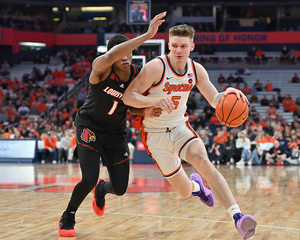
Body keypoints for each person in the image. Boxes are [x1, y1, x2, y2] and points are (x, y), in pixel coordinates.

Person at [123, 24, 257, 240]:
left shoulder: (196, 70)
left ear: (192, 46)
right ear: (168, 45)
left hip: (180, 127)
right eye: (174, 45)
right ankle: (197, 187)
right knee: (184, 191)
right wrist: (153, 100)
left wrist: (227, 94)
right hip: (154, 134)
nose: (178, 50)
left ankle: (238, 218)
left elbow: (215, 100)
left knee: (204, 162)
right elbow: (128, 97)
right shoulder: (156, 68)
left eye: (183, 46)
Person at [58, 12, 166, 237]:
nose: (126, 57)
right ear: (113, 55)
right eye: (121, 53)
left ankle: (101, 189)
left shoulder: (137, 75)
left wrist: (145, 110)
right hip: (90, 126)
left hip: (116, 132)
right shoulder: (101, 68)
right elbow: (108, 58)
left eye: (130, 52)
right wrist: (147, 35)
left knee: (120, 188)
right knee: (88, 177)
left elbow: (132, 104)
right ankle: (68, 216)